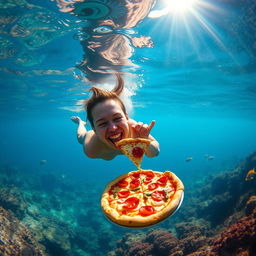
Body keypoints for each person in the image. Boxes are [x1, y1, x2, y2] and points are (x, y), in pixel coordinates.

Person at [71, 74, 160, 160]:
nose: (113, 128)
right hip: (95, 140)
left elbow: (155, 152)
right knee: (81, 137)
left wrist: (145, 142)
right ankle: (80, 122)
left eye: (117, 118)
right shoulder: (91, 149)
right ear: (94, 129)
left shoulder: (135, 130)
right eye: (103, 123)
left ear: (126, 118)